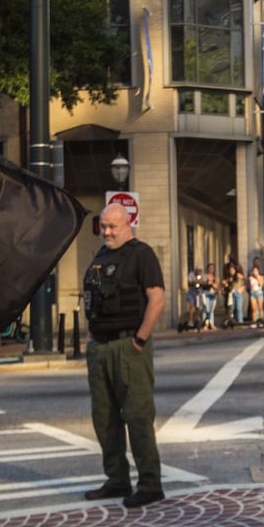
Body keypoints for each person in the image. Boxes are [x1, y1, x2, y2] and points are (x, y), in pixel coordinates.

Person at [80, 202, 167, 509]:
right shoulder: (101, 256)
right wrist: (90, 340)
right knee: (104, 418)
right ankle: (117, 480)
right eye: (103, 226)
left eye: (112, 226)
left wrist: (139, 341)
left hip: (128, 346)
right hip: (100, 348)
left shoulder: (141, 254)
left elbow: (156, 299)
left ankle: (150, 484)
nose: (106, 232)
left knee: (138, 416)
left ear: (127, 223)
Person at [225, 260, 247, 326]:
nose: (231, 271)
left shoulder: (238, 275)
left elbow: (245, 281)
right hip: (232, 293)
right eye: (230, 270)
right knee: (233, 308)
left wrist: (242, 288)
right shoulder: (229, 277)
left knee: (239, 308)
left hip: (238, 292)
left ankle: (240, 322)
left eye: (232, 269)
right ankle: (234, 322)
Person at [249, 256, 264, 326]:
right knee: (254, 309)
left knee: (260, 309)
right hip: (253, 293)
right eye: (254, 271)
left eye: (256, 271)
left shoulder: (261, 277)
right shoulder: (250, 277)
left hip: (259, 293)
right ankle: (254, 322)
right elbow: (250, 286)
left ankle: (261, 322)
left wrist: (257, 277)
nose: (255, 272)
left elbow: (261, 284)